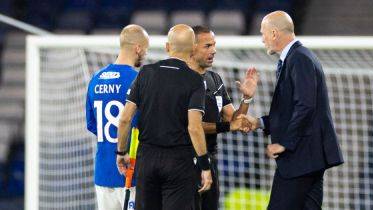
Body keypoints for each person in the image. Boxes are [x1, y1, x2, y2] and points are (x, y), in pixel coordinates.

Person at [243, 11, 344, 209]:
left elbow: (305, 106)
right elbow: (292, 110)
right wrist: (260, 122)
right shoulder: (296, 57)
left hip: (300, 157)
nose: (262, 39)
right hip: (308, 158)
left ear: (274, 33)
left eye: (263, 33)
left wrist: (285, 144)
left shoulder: (299, 58)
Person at [116, 24, 213, 210]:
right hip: (179, 161)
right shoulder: (195, 80)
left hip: (147, 159)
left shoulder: (146, 73)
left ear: (167, 47)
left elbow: (125, 119)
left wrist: (121, 152)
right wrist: (204, 166)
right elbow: (194, 127)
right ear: (193, 49)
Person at [189, 25, 258, 210]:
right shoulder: (181, 80)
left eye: (214, 45)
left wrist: (247, 98)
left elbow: (233, 119)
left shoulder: (215, 79)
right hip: (184, 163)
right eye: (207, 45)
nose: (214, 50)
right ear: (192, 47)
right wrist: (228, 127)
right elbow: (192, 125)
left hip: (210, 160)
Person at [85, 24, 149, 210]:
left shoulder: (96, 79)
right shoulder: (139, 80)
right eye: (145, 49)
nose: (145, 54)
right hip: (132, 171)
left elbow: (92, 124)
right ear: (138, 48)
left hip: (103, 172)